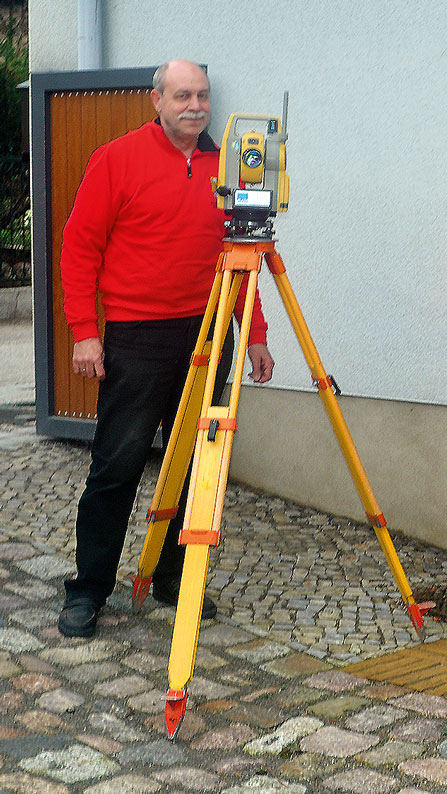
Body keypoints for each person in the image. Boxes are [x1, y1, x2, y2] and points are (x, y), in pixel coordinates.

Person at [58, 59, 275, 638]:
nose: (195, 106)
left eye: (202, 95)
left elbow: (241, 250)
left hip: (206, 332)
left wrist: (252, 333)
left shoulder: (229, 164)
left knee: (196, 467)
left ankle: (173, 579)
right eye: (182, 95)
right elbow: (80, 248)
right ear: (156, 99)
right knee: (117, 466)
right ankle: (89, 589)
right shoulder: (116, 158)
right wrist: (85, 331)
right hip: (136, 336)